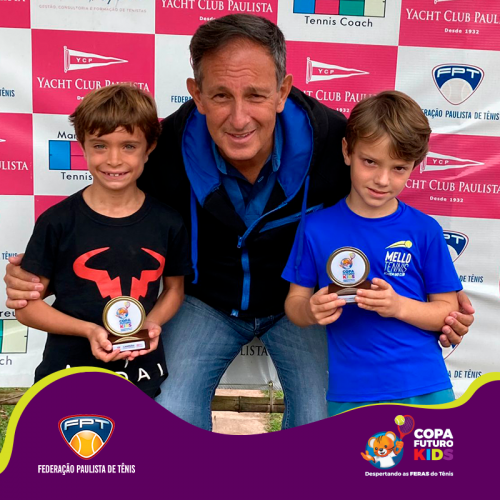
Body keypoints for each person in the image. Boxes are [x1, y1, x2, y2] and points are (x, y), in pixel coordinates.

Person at [4, 16, 473, 429]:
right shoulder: (161, 150)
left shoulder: (337, 143)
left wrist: (438, 300)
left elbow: (375, 226)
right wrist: (41, 273)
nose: (239, 117)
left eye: (256, 95)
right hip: (204, 304)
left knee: (320, 421)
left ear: (283, 91)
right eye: (221, 95)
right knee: (168, 413)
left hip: (300, 307)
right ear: (196, 94)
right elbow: (111, 218)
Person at [283, 91, 463, 416]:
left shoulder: (425, 230)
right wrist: (310, 311)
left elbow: (447, 311)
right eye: (370, 162)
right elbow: (294, 303)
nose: (382, 180)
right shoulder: (315, 228)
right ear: (347, 151)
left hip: (424, 387)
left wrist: (397, 306)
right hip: (350, 392)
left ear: (415, 166)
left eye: (399, 168)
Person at [14, 84, 192, 397]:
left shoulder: (169, 221)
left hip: (142, 374)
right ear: (82, 145)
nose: (113, 159)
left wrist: (151, 323)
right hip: (67, 372)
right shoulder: (57, 221)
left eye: (128, 146)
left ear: (149, 148)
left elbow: (174, 289)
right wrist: (88, 330)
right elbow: (26, 308)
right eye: (100, 145)